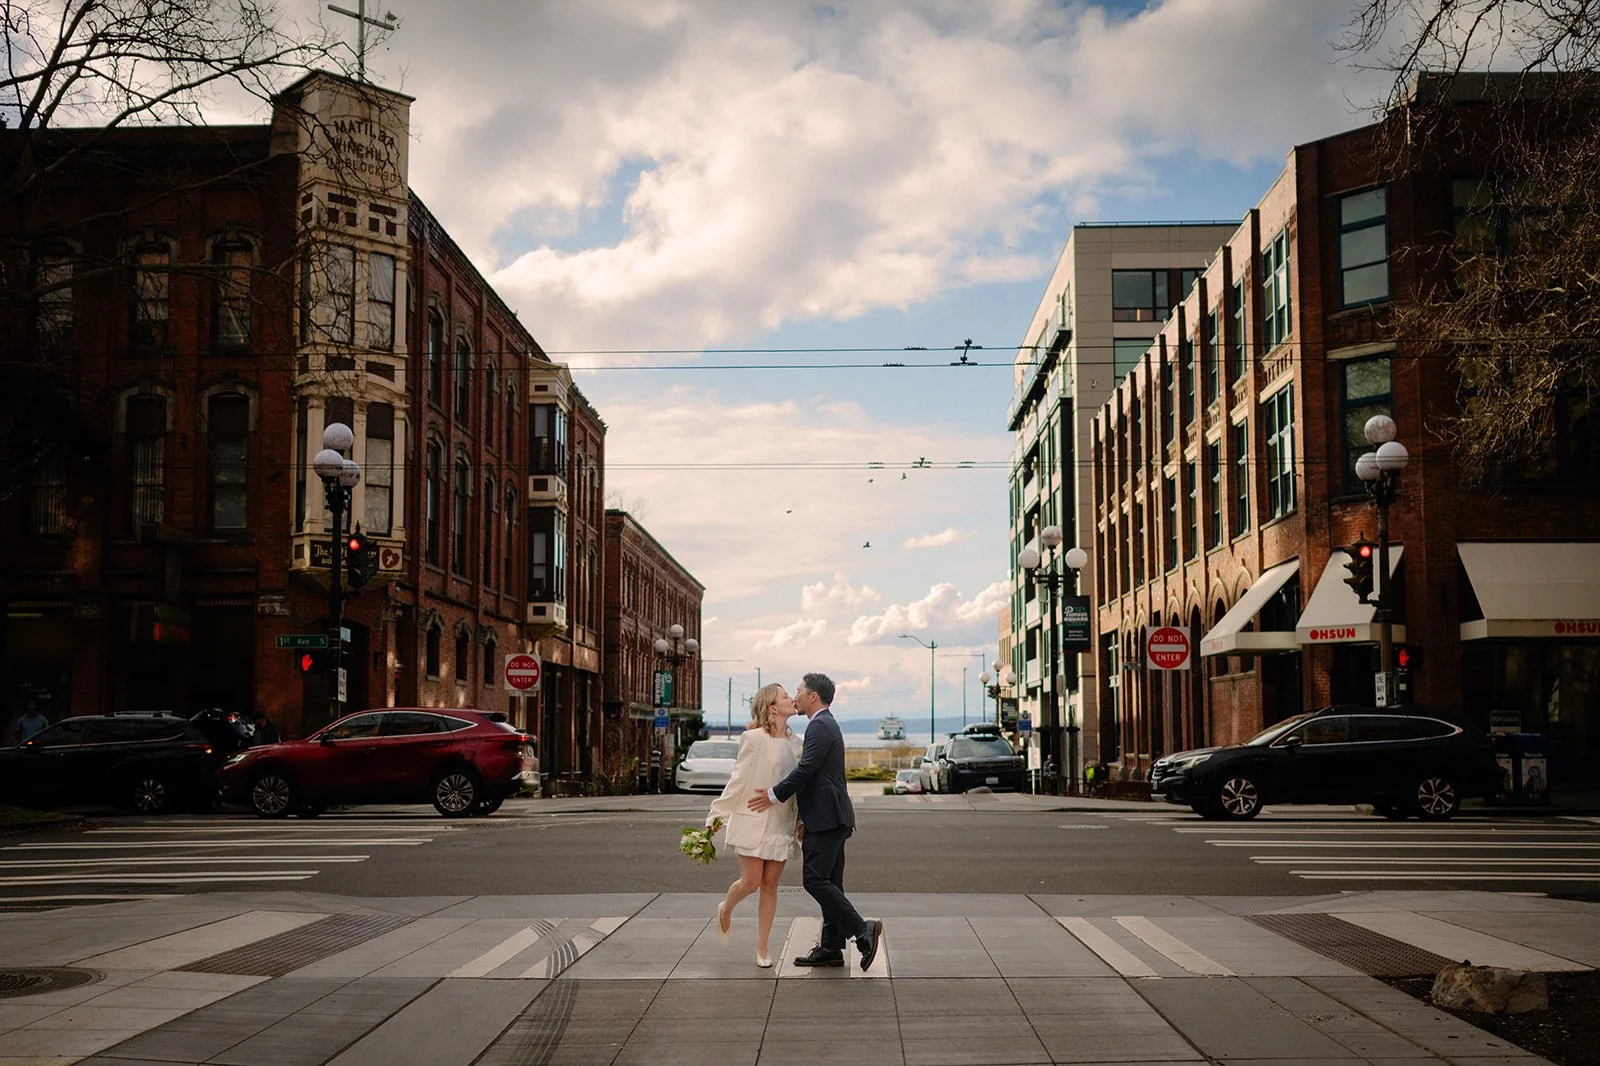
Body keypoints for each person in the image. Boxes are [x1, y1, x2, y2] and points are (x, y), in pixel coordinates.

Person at [749, 672, 883, 971]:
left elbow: (806, 770)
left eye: (798, 691)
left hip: (827, 818)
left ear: (813, 696)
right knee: (831, 882)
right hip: (830, 816)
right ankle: (831, 948)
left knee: (814, 880)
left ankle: (862, 929)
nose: (795, 696)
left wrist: (772, 795)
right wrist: (803, 817)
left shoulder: (820, 726)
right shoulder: (824, 724)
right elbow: (816, 776)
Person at [704, 683, 802, 968]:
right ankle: (726, 907)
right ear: (773, 707)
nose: (791, 698)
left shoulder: (797, 743)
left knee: (770, 886)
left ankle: (762, 948)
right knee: (751, 883)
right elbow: (738, 781)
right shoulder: (753, 739)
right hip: (752, 819)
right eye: (785, 696)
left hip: (781, 823)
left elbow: (798, 789)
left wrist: (800, 821)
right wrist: (716, 817)